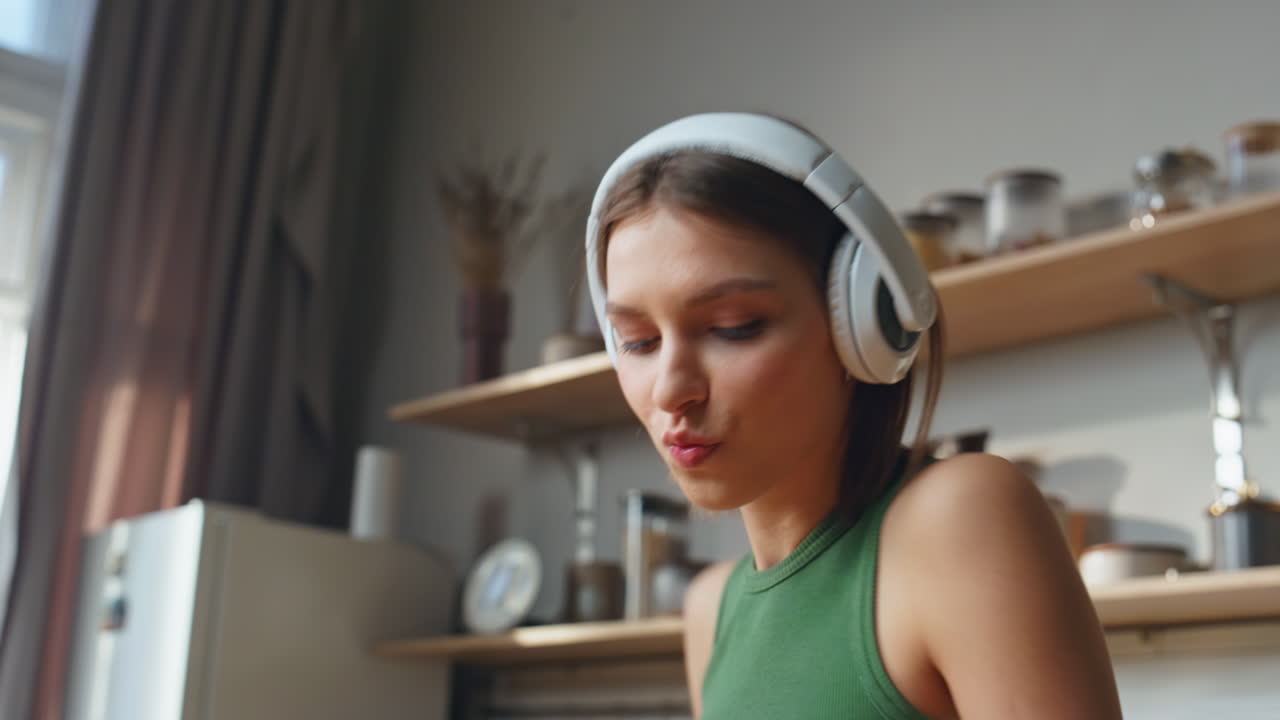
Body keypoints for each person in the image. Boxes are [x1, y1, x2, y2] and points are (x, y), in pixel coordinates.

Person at [584, 113, 1122, 719]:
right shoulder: (710, 609)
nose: (670, 391)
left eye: (735, 327)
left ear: (861, 323)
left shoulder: (961, 517)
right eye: (637, 341)